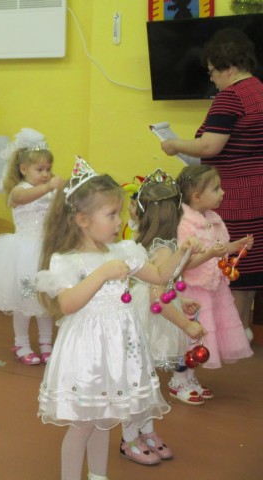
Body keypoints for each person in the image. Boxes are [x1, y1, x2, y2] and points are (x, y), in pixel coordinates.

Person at [34, 158, 202, 480]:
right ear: (82, 220)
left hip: (119, 351)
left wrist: (182, 252)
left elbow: (159, 275)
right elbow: (67, 303)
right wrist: (101, 273)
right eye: (111, 214)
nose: (119, 221)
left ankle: (98, 475)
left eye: (120, 213)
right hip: (88, 353)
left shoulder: (123, 250)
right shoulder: (68, 260)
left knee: (104, 421)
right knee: (83, 425)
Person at [161, 28, 263, 340]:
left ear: (228, 68)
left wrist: (175, 144)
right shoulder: (258, 89)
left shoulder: (230, 97)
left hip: (233, 193)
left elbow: (209, 146)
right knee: (249, 263)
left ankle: (229, 333)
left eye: (213, 72)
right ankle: (243, 327)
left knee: (229, 261)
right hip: (257, 188)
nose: (212, 79)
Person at [121, 169, 206, 467]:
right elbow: (157, 299)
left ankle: (146, 431)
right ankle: (129, 437)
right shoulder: (163, 248)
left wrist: (183, 300)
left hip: (150, 311)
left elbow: (163, 286)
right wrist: (186, 324)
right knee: (141, 381)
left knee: (147, 380)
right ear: (174, 215)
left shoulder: (154, 242)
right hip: (150, 318)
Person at [0, 129, 63, 365]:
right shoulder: (19, 190)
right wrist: (49, 187)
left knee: (44, 301)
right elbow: (23, 199)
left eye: (48, 169)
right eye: (40, 169)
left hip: (46, 254)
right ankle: (21, 343)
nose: (45, 174)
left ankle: (46, 344)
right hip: (24, 258)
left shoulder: (49, 192)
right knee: (24, 301)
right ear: (23, 169)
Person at [175, 165, 253, 397]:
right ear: (197, 196)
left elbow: (217, 247)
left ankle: (190, 378)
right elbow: (183, 262)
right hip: (193, 290)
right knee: (189, 337)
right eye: (216, 189)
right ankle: (179, 380)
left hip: (213, 289)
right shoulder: (184, 223)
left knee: (202, 338)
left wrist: (236, 246)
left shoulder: (210, 219)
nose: (223, 193)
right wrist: (210, 254)